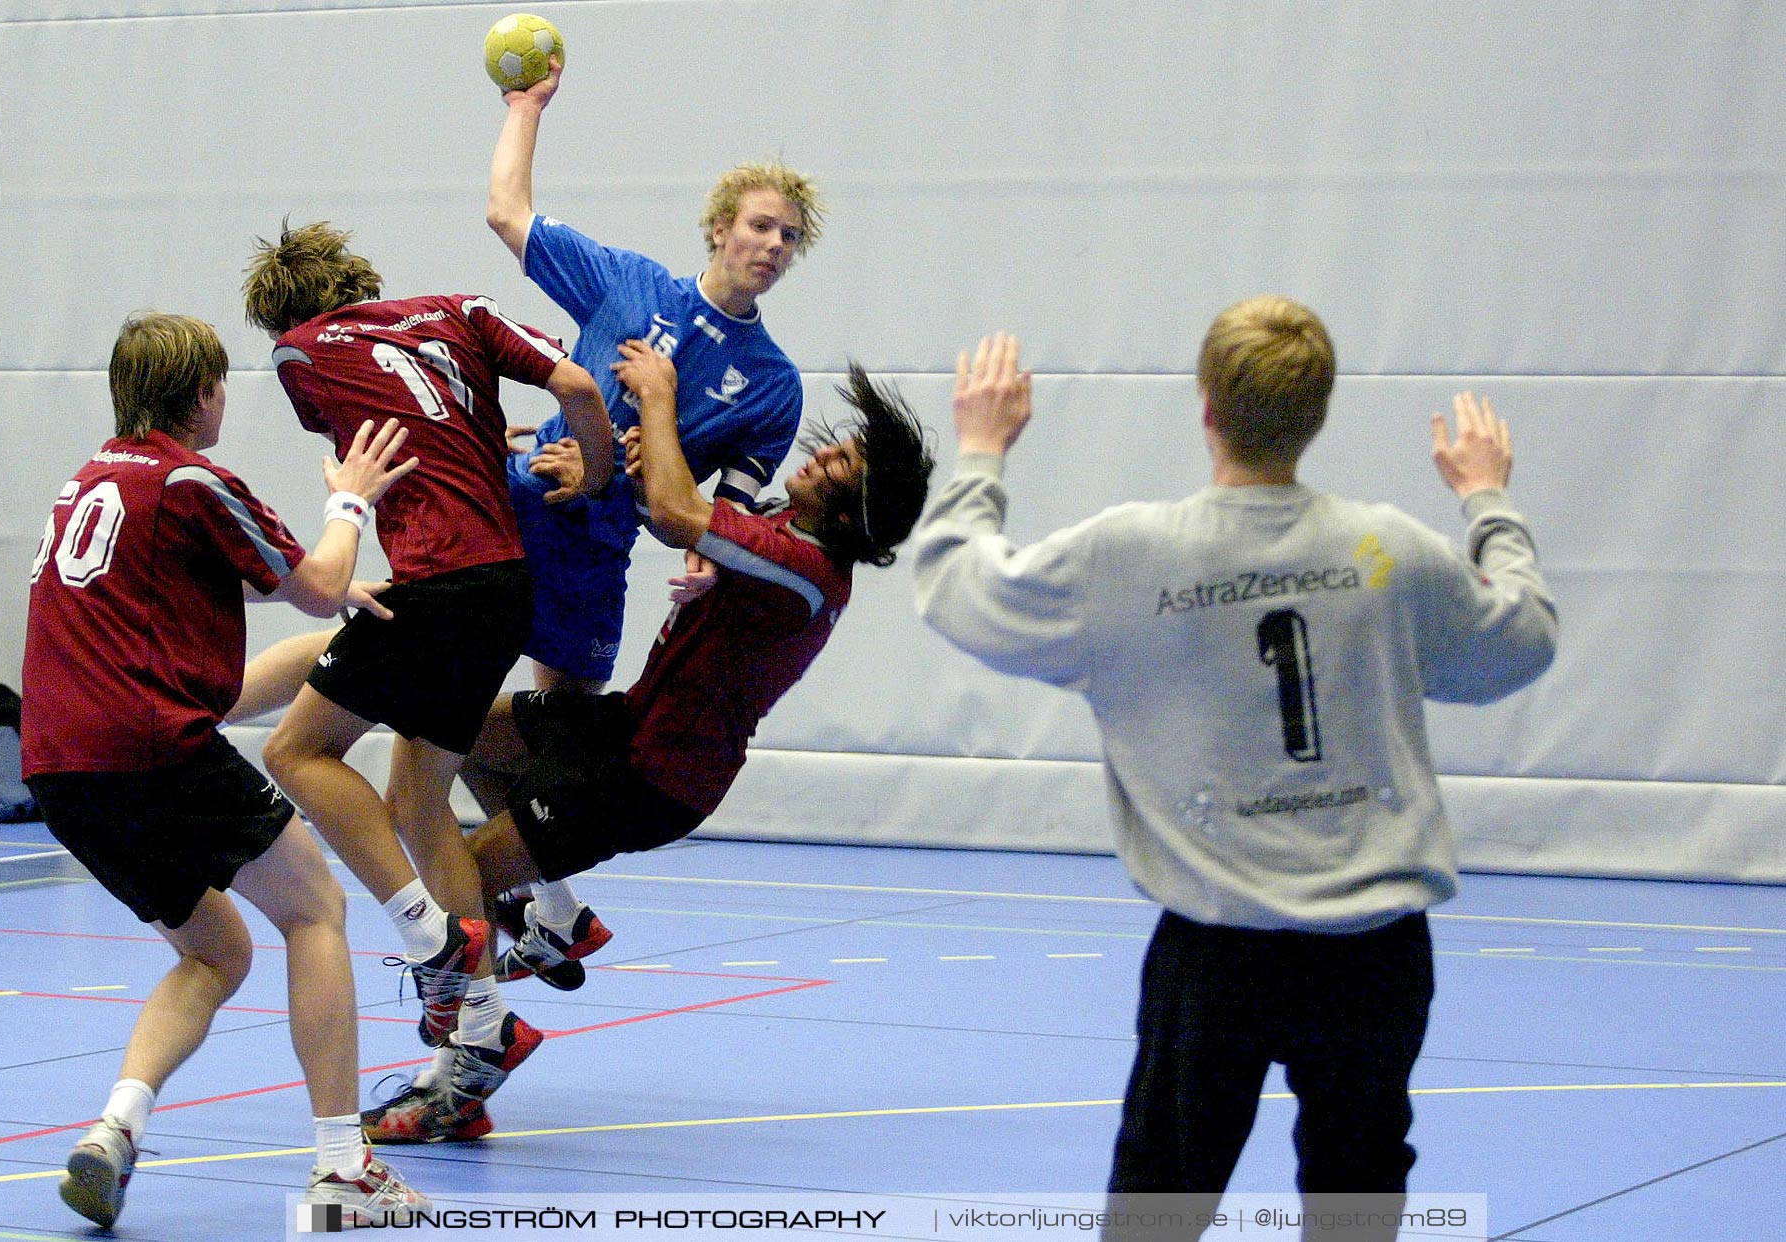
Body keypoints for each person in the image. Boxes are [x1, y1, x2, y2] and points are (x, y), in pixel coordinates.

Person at [911, 314, 1558, 1240]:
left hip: (1220, 949)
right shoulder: (1380, 551)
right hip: (1375, 946)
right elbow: (1521, 640)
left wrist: (980, 451)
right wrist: (1488, 500)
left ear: (1207, 408)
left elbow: (956, 587)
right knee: (1360, 1192)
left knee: (1160, 1200)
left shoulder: (1138, 553)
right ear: (1319, 413)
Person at [359, 336, 935, 1142]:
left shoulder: (801, 568)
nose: (827, 451)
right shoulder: (783, 531)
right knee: (456, 729)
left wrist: (659, 396)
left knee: (471, 880)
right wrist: (618, 455)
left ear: (853, 512)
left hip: (653, 778)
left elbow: (676, 515)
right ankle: (558, 916)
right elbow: (670, 505)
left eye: (846, 462)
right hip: (630, 722)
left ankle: (460, 1078)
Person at [22, 312, 428, 1228]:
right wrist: (349, 503)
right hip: (150, 750)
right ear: (202, 392)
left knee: (216, 951)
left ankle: (115, 1129)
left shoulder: (86, 482)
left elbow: (227, 579)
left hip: (60, 769)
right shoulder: (194, 477)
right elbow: (314, 580)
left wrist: (323, 589)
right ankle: (343, 1170)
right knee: (313, 907)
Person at [239, 221, 616, 1119]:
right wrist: (593, 472)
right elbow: (574, 382)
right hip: (505, 587)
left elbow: (366, 451)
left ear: (282, 312)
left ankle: (431, 942)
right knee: (416, 793)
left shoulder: (300, 352)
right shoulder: (459, 307)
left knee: (296, 754)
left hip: (437, 582)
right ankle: (481, 1016)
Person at [472, 58, 831, 974]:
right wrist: (526, 107)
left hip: (595, 551)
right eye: (760, 225)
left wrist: (695, 550)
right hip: (518, 511)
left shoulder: (775, 388)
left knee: (547, 744)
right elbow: (507, 211)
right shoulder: (630, 286)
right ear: (720, 227)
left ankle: (530, 900)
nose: (773, 244)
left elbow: (726, 515)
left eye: (789, 236)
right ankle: (540, 908)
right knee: (448, 722)